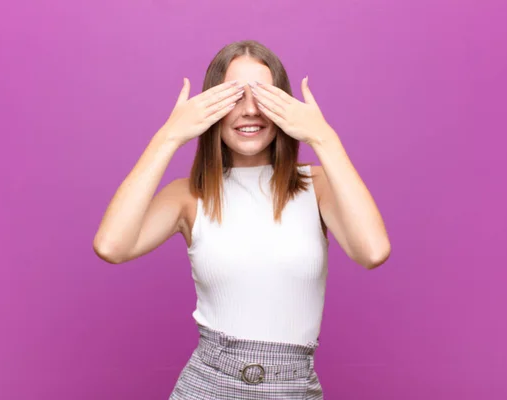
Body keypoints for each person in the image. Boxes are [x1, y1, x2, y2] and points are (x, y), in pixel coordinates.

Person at [93, 40, 391, 399]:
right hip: (207, 384)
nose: (250, 110)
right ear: (210, 107)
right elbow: (111, 246)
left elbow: (372, 252)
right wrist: (168, 136)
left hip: (292, 387)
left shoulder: (318, 186)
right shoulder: (188, 194)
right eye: (234, 96)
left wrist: (323, 136)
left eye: (263, 97)